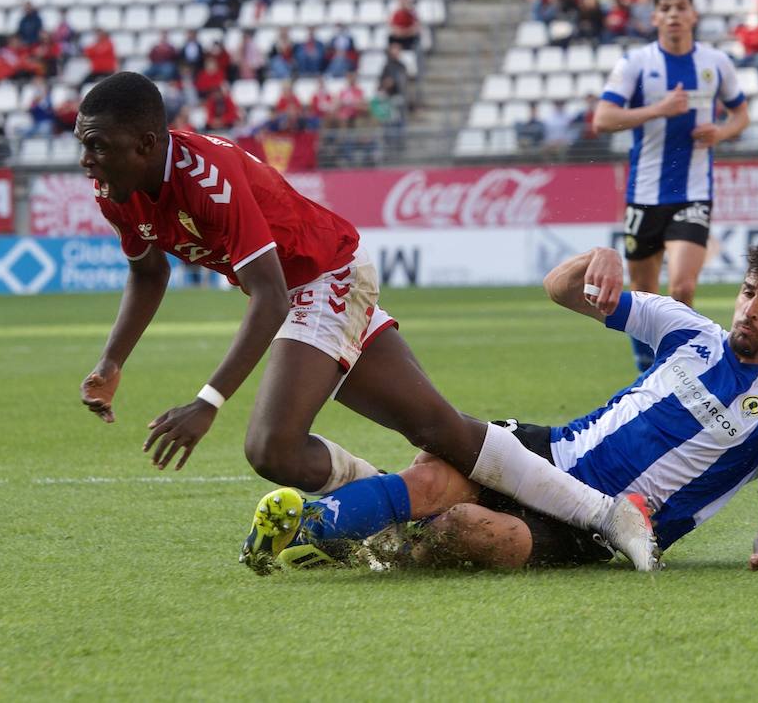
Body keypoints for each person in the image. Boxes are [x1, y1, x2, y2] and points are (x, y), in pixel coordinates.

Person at [73, 72, 658, 571]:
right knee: (438, 430)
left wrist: (208, 400)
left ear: (147, 142)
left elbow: (270, 297)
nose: (85, 160)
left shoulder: (208, 179)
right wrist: (111, 361)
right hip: (307, 288)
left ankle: (603, 517)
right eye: (83, 144)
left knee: (271, 446)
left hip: (326, 277)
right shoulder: (116, 189)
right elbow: (148, 274)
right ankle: (596, 513)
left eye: (97, 145)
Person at [246, 242, 758, 572]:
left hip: (599, 530)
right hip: (552, 450)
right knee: (432, 471)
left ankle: (372, 537)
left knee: (468, 527)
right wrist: (595, 259)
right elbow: (559, 288)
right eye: (749, 291)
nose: (750, 309)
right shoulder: (688, 330)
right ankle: (312, 530)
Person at [594, 0, 751, 372]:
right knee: (643, 295)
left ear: (693, 15)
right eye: (665, 8)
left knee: (681, 288)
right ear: (655, 18)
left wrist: (722, 132)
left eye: (681, 6)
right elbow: (603, 119)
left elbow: (741, 114)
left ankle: (675, 370)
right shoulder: (636, 63)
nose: (674, 14)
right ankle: (645, 368)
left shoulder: (716, 63)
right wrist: (657, 109)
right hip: (644, 194)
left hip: (693, 193)